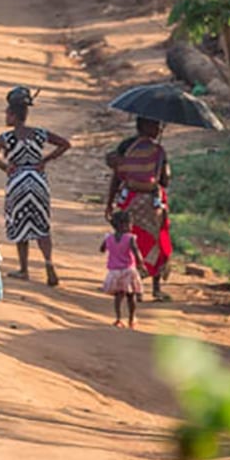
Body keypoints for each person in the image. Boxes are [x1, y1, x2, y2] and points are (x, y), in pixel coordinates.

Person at [0, 86, 71, 286]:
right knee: (41, 224)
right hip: (37, 179)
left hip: (18, 181)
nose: (5, 116)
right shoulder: (39, 133)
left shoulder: (7, 138)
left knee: (20, 223)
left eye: (7, 113)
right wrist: (45, 160)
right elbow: (65, 144)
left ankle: (24, 269)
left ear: (14, 116)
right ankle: (48, 263)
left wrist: (5, 167)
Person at [104, 117, 172, 301]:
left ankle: (133, 286)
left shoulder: (126, 146)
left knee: (131, 242)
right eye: (154, 125)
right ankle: (154, 288)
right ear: (143, 126)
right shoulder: (158, 150)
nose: (157, 128)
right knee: (155, 241)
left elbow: (117, 176)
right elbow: (164, 180)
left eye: (158, 125)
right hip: (152, 201)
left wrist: (110, 202)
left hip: (129, 199)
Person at [100, 210, 147, 329]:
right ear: (124, 225)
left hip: (114, 272)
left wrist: (110, 246)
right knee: (131, 296)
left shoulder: (108, 237)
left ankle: (118, 319)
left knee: (118, 296)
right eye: (130, 224)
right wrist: (141, 264)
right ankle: (132, 318)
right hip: (128, 270)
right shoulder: (130, 238)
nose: (132, 226)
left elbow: (102, 249)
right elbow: (137, 252)